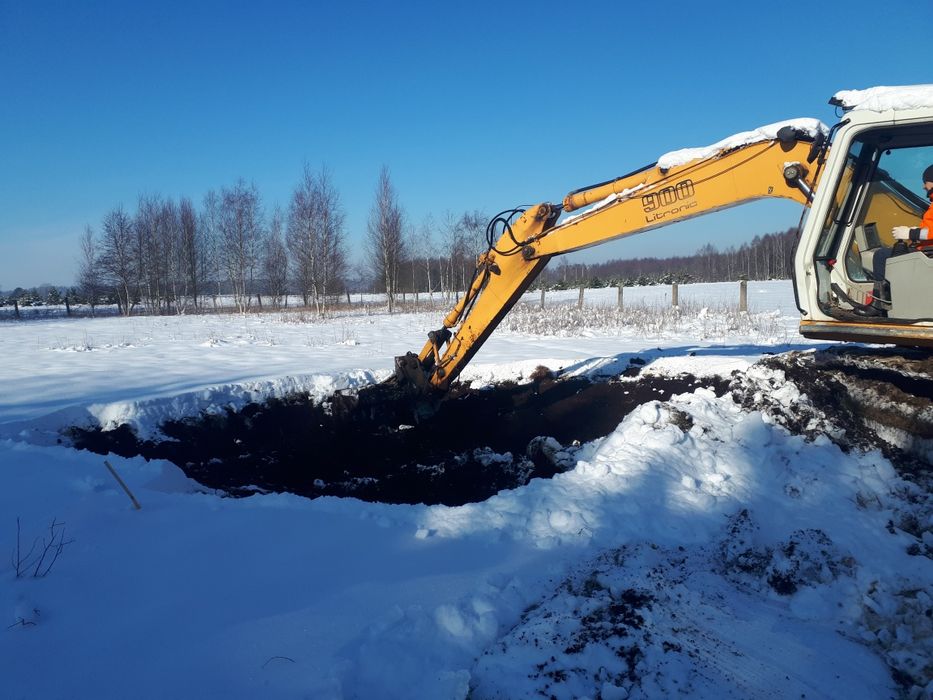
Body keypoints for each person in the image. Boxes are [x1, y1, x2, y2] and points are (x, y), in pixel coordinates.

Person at [872, 164, 933, 302]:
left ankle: (879, 303)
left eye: (926, 182)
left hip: (928, 253)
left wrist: (911, 233)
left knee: (881, 255)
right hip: (927, 250)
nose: (924, 186)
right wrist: (914, 231)